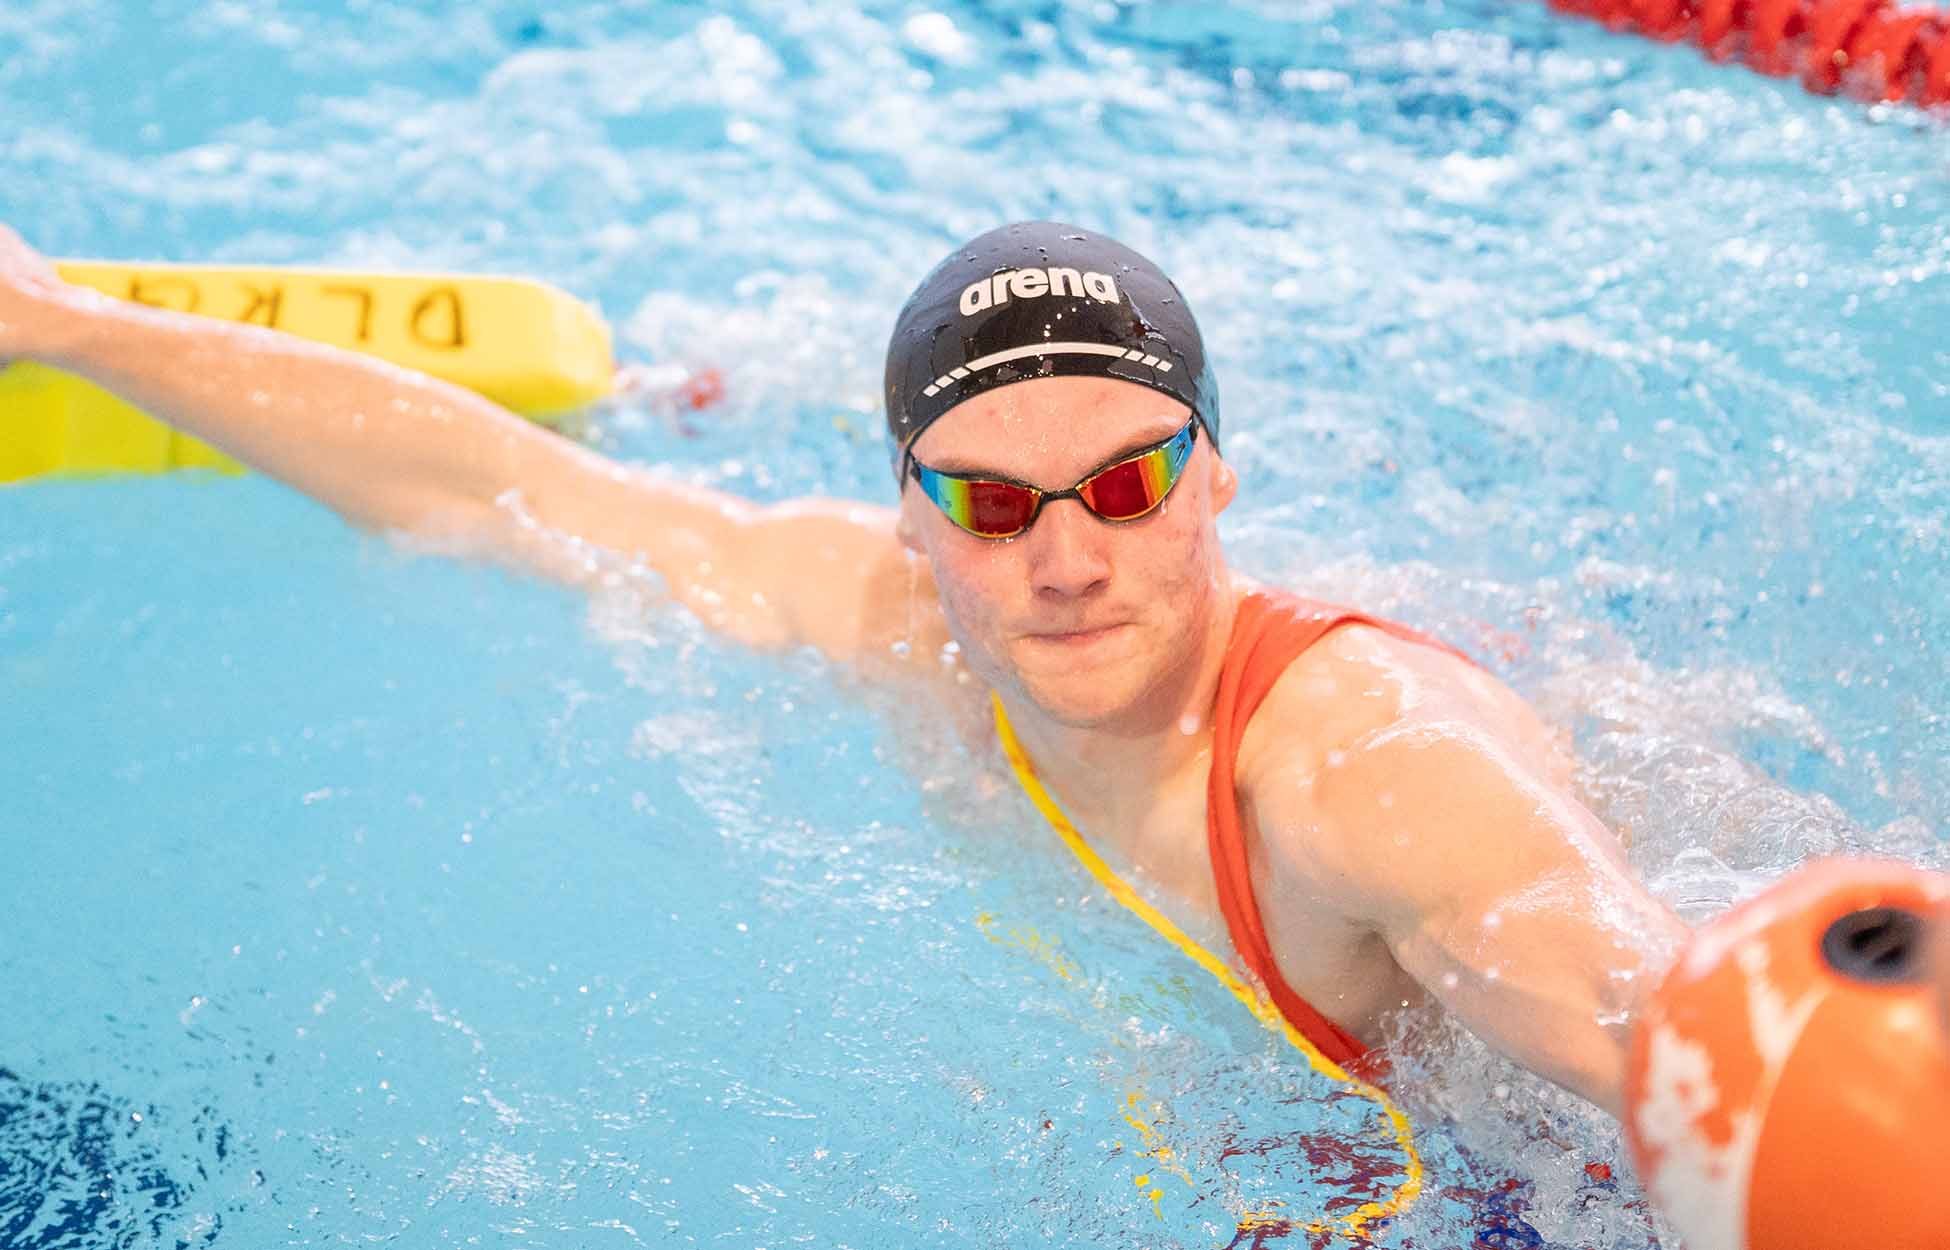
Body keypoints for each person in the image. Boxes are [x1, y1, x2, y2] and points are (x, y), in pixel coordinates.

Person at [0, 220, 1685, 1117]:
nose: (1065, 560)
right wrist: (67, 325)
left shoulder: (1366, 768)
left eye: (1123, 484)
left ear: (1217, 479)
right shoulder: (888, 620)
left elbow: (1656, 1024)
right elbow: (499, 488)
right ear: (909, 516)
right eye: (991, 503)